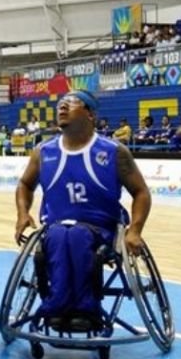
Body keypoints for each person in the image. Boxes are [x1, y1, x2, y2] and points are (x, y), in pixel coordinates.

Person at [14, 90, 152, 331]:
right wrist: (22, 214)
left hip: (101, 229)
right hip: (56, 228)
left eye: (71, 103)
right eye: (60, 103)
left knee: (76, 235)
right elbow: (25, 185)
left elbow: (141, 192)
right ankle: (59, 307)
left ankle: (86, 309)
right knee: (60, 235)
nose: (62, 107)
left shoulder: (114, 151)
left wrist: (135, 230)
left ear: (90, 114)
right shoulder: (43, 152)